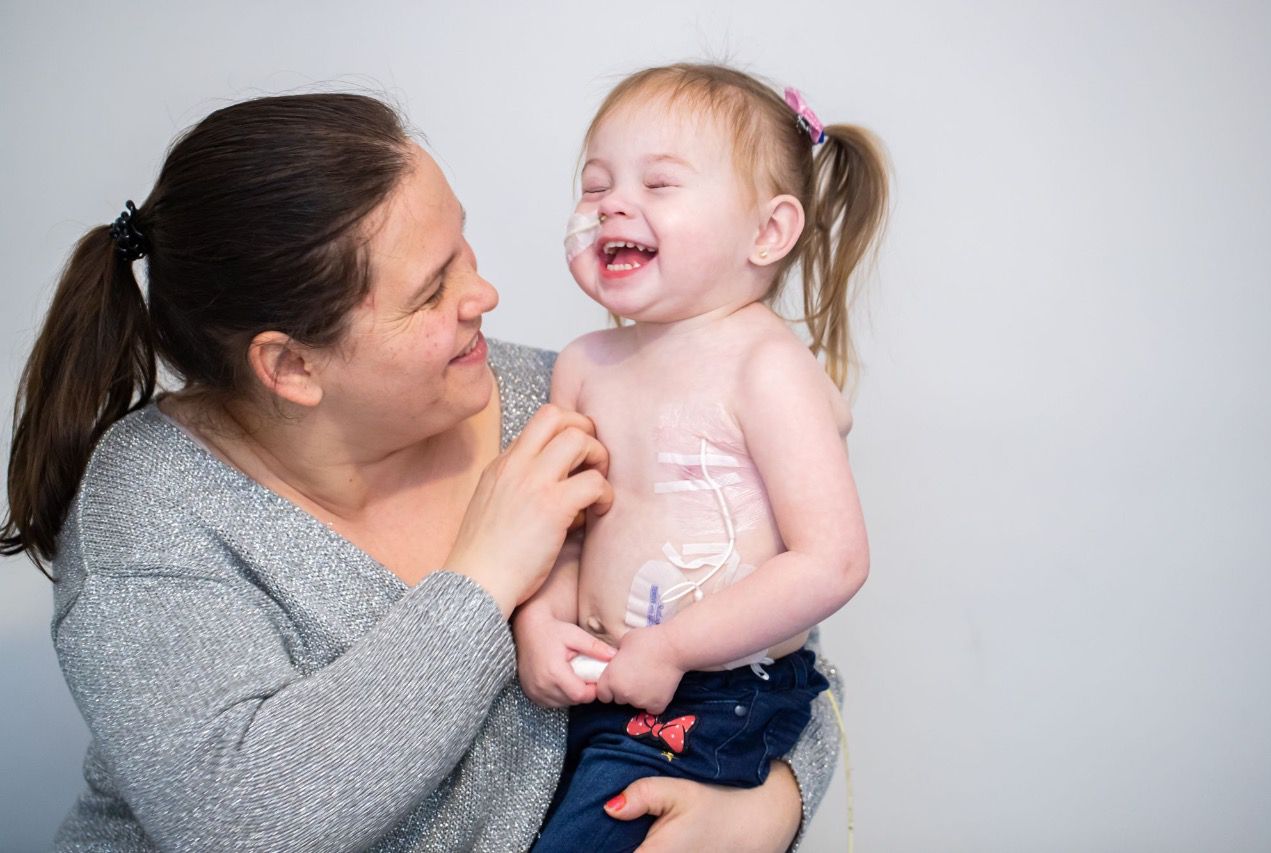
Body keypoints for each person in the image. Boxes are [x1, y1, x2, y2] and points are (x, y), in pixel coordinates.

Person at [1, 92, 845, 851]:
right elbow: (244, 819)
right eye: (433, 288)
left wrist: (770, 803)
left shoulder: (546, 394)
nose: (485, 294)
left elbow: (761, 643)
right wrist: (481, 583)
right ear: (292, 366)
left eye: (464, 249)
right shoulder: (150, 511)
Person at [516, 64, 886, 851]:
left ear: (768, 232)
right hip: (603, 682)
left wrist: (675, 646)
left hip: (717, 690)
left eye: (659, 185)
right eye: (596, 186)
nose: (614, 204)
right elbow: (571, 528)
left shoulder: (767, 367)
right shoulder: (584, 364)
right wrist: (541, 618)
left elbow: (833, 560)